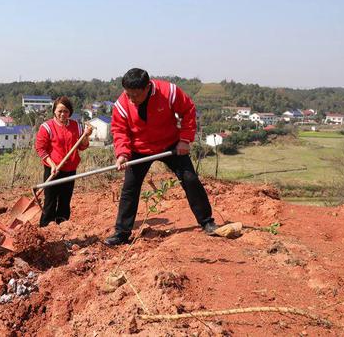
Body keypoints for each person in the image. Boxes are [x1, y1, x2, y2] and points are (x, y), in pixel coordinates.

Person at [104, 68, 217, 246]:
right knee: (129, 188)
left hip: (170, 145)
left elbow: (188, 110)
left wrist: (185, 140)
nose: (132, 99)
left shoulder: (169, 92)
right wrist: (123, 154)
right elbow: (119, 131)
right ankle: (122, 232)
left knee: (190, 179)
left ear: (148, 87)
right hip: (139, 148)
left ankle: (207, 222)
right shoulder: (121, 105)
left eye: (136, 95)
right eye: (128, 94)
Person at [35, 96, 92, 227]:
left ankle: (62, 225)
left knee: (65, 200)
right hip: (53, 169)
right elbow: (40, 148)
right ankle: (46, 226)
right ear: (54, 110)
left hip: (70, 169)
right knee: (50, 200)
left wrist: (86, 136)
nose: (62, 114)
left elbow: (82, 146)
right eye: (59, 111)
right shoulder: (47, 127)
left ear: (70, 112)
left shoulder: (76, 126)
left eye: (65, 111)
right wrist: (52, 164)